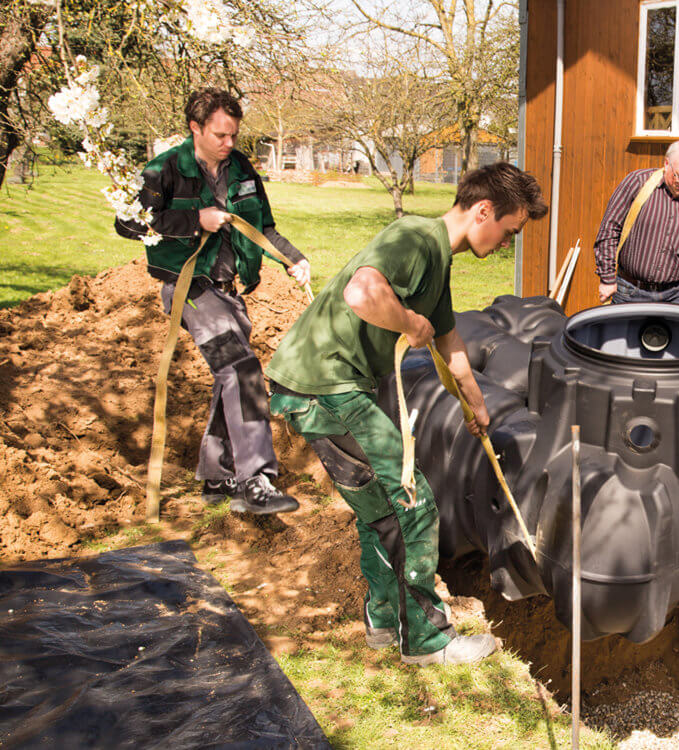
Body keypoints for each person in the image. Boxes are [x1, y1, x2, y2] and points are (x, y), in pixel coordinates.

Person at [264, 163, 548, 666]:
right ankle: (427, 639)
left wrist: (476, 406)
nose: (509, 242)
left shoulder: (437, 260)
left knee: (378, 510)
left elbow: (450, 340)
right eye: (511, 230)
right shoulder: (415, 237)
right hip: (327, 385)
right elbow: (361, 293)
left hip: (315, 384)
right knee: (414, 502)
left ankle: (383, 618)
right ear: (484, 211)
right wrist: (405, 319)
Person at [115, 88, 309, 515]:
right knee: (243, 370)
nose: (229, 143)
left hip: (228, 291)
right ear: (195, 128)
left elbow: (265, 225)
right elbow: (127, 221)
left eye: (234, 135)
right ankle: (256, 479)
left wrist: (294, 259)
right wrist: (192, 221)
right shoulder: (163, 169)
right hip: (191, 291)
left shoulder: (240, 168)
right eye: (220, 135)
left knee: (232, 375)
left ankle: (218, 476)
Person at [593, 139, 679, 310]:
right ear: (667, 164)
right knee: (612, 335)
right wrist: (607, 278)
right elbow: (609, 229)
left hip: (677, 293)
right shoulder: (637, 183)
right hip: (631, 289)